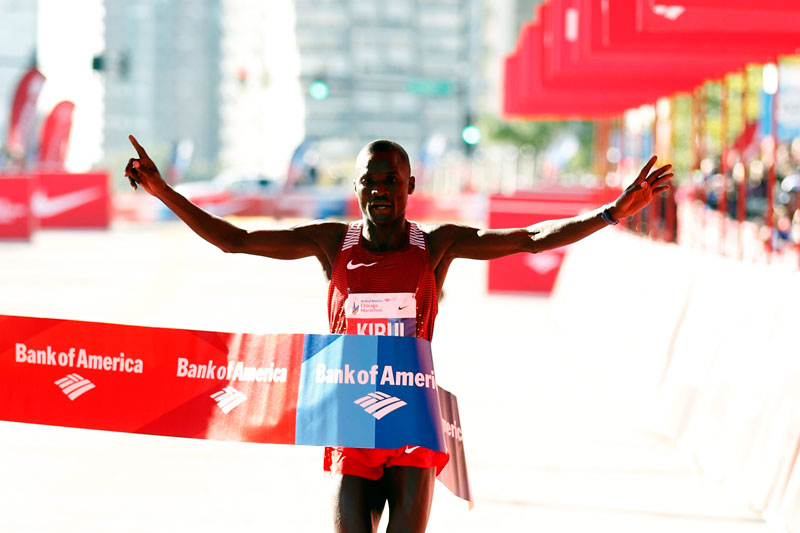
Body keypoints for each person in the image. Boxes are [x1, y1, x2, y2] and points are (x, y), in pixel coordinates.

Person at [125, 135, 672, 533]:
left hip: (412, 420)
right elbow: (236, 240)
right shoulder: (329, 243)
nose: (380, 189)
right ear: (357, 187)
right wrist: (161, 190)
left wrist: (609, 214)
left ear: (410, 185)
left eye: (391, 180)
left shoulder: (437, 245)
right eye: (369, 180)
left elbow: (528, 239)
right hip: (350, 421)